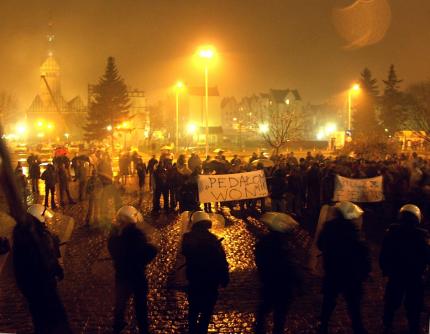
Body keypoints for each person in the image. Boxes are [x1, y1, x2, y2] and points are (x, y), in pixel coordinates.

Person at [13, 204, 71, 334]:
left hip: (36, 288)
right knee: (50, 319)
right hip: (42, 287)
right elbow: (46, 259)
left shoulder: (28, 234)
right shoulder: (34, 237)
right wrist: (56, 270)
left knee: (41, 319)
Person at [317, 201, 371, 334]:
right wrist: (365, 271)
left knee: (329, 300)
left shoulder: (329, 227)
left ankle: (323, 325)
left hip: (332, 270)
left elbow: (320, 244)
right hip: (351, 274)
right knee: (353, 303)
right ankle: (358, 328)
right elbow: (363, 253)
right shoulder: (354, 232)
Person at [379, 204, 430, 334]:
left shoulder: (392, 233)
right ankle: (413, 327)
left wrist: (385, 269)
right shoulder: (421, 236)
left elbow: (384, 254)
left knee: (391, 302)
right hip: (414, 276)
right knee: (413, 305)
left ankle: (387, 324)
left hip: (396, 274)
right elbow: (427, 255)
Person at [108, 206, 158, 334]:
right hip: (136, 274)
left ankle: (117, 325)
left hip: (121, 274)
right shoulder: (136, 235)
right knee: (140, 304)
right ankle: (143, 328)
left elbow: (113, 251)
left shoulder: (114, 235)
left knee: (120, 302)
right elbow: (149, 251)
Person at [181, 211, 229, 334]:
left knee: (194, 308)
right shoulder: (213, 240)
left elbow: (186, 252)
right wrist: (224, 278)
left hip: (194, 278)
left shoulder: (187, 239)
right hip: (210, 281)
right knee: (207, 309)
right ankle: (202, 330)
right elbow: (221, 261)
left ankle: (192, 329)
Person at [255, 214, 302, 334]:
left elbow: (259, 261)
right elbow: (291, 265)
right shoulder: (285, 244)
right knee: (280, 313)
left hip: (269, 281)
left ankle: (259, 327)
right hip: (284, 283)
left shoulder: (264, 242)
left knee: (265, 307)